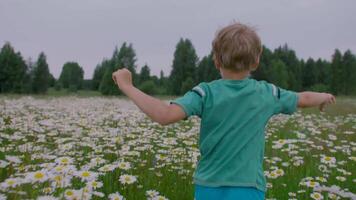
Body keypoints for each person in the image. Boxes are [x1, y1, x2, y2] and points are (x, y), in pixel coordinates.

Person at [112, 22, 336, 200]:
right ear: (256, 61)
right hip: (249, 187)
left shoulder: (205, 93)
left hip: (209, 187)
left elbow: (164, 114)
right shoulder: (267, 93)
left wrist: (127, 86)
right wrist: (324, 96)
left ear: (216, 60)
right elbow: (304, 98)